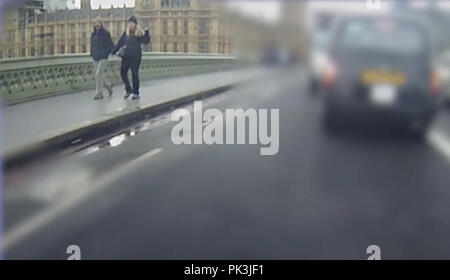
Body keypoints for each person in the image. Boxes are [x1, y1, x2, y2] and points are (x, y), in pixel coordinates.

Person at [112, 16, 151, 100]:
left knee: (134, 73)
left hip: (136, 56)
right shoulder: (126, 33)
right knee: (123, 72)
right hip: (126, 56)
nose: (131, 24)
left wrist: (147, 33)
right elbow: (120, 43)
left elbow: (146, 41)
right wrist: (113, 51)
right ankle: (128, 89)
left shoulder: (139, 33)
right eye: (130, 23)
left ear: (135, 24)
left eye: (132, 23)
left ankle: (136, 92)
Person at [90, 16, 114, 100]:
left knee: (98, 74)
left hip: (103, 57)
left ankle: (99, 94)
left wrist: (107, 52)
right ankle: (108, 87)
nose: (97, 25)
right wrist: (92, 54)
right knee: (99, 76)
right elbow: (92, 45)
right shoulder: (93, 34)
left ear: (101, 24)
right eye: (96, 23)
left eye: (99, 23)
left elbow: (111, 44)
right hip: (95, 57)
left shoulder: (106, 33)